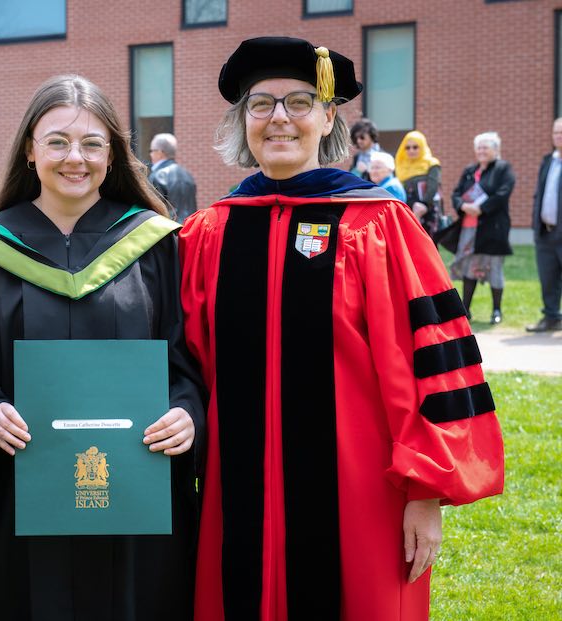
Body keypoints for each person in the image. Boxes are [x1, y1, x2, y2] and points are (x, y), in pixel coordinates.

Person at [180, 36, 504, 620]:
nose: (279, 118)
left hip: (363, 499)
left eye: (300, 102)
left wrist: (426, 490)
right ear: (242, 121)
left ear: (328, 117)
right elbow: (185, 367)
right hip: (237, 499)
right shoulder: (209, 233)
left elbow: (432, 359)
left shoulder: (380, 224)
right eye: (261, 104)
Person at [0, 75, 205, 621]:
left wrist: (187, 412)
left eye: (92, 143)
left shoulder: (157, 246)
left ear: (113, 156)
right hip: (22, 487)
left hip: (138, 487)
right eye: (57, 141)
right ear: (30, 152)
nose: (74, 158)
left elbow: (187, 362)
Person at [447, 132, 515, 325]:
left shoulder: (503, 168)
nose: (481, 151)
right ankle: (465, 310)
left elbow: (503, 193)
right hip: (469, 228)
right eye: (479, 147)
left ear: (496, 149)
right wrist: (462, 206)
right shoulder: (470, 169)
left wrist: (481, 209)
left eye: (486, 147)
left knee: (494, 269)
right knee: (469, 268)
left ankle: (496, 311)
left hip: (492, 229)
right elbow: (456, 193)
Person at [527, 117, 562, 332]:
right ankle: (551, 317)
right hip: (546, 232)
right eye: (556, 133)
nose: (558, 136)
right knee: (548, 278)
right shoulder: (548, 160)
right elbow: (539, 194)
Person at [395, 130, 444, 238]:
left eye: (415, 147)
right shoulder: (401, 166)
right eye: (407, 148)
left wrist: (423, 205)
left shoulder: (432, 163)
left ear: (422, 146)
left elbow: (433, 186)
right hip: (409, 208)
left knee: (428, 242)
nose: (411, 150)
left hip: (428, 209)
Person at [148, 132, 198, 222]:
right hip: (190, 228)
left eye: (151, 151)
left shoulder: (158, 176)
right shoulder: (187, 175)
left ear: (160, 153)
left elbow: (153, 212)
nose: (150, 154)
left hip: (170, 231)